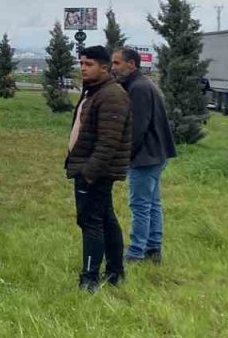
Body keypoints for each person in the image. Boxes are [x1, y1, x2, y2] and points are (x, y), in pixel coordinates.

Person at [68, 46, 133, 292]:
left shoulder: (112, 95)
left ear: (104, 67)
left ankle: (90, 278)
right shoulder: (94, 91)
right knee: (105, 218)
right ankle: (115, 272)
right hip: (89, 167)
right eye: (81, 63)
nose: (83, 68)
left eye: (89, 64)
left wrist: (88, 173)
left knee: (90, 222)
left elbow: (108, 142)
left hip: (95, 172)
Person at [112, 47, 177, 264]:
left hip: (145, 156)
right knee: (152, 203)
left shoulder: (138, 87)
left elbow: (137, 127)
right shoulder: (142, 83)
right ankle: (153, 249)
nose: (113, 68)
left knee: (140, 206)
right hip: (156, 153)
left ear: (131, 64)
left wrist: (125, 155)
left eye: (117, 63)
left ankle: (136, 252)